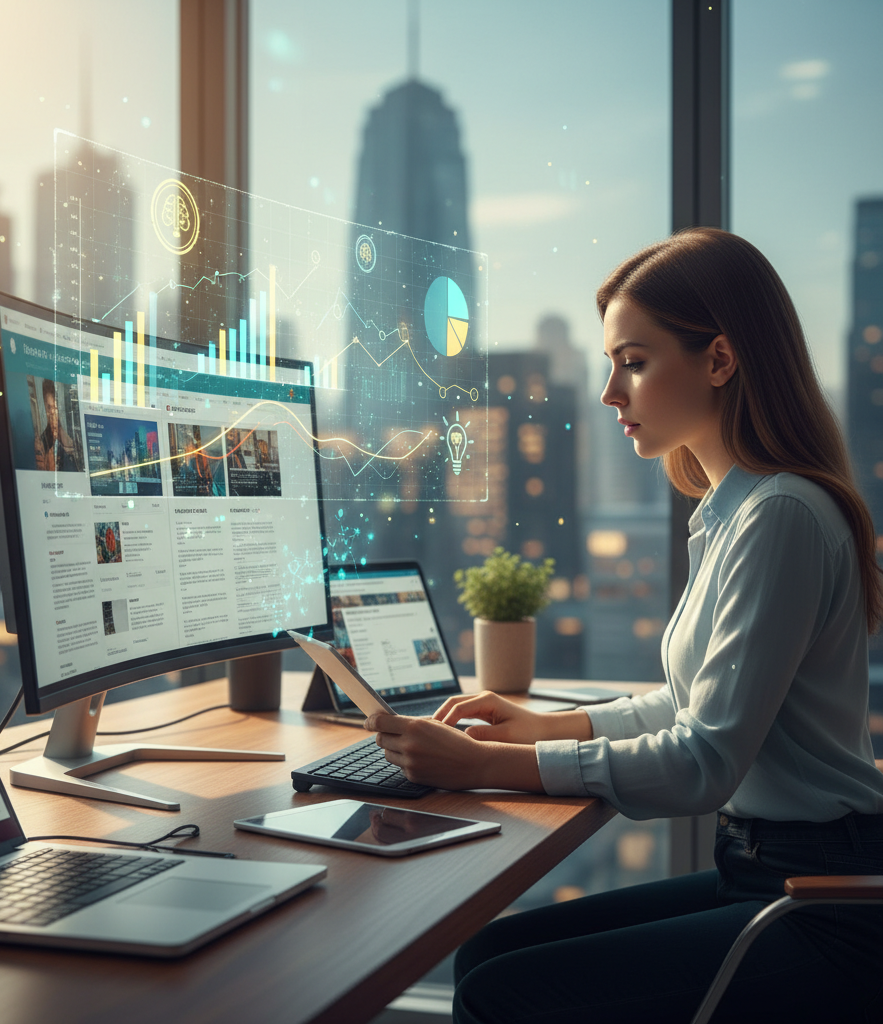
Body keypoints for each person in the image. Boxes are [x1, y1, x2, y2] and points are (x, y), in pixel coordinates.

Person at [365, 228, 883, 1023]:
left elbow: (703, 760)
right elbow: (687, 706)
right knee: (486, 956)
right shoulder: (738, 510)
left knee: (504, 992)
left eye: (634, 363)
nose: (611, 392)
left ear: (718, 360)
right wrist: (536, 729)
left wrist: (482, 767)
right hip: (767, 867)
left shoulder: (779, 514)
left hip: (821, 896)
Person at [34, 378, 81, 472]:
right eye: (49, 407)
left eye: (54, 407)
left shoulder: (69, 443)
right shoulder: (41, 444)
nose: (52, 412)